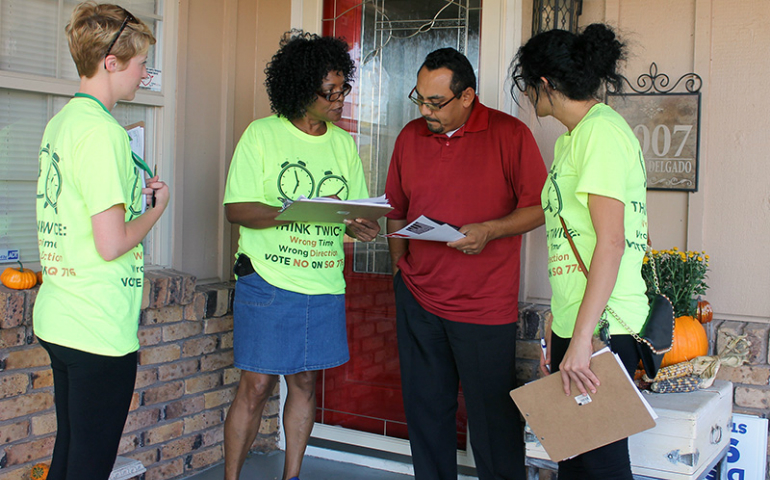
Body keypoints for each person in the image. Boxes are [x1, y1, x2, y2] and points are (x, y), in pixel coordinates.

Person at [222, 30, 380, 480]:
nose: (338, 100)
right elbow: (238, 209)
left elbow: (353, 211)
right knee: (255, 386)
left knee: (305, 382)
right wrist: (294, 212)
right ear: (299, 89)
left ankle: (291, 475)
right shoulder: (262, 135)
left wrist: (360, 225)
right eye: (328, 92)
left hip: (323, 281)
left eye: (342, 89)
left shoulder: (343, 144)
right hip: (269, 281)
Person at [384, 48, 547, 480]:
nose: (425, 111)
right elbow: (396, 208)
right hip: (418, 296)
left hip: (483, 303)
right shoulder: (409, 136)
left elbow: (540, 207)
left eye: (435, 103)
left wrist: (490, 230)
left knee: (493, 419)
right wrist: (400, 264)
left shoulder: (510, 135)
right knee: (426, 412)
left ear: (468, 96)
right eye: (418, 99)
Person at [34, 3, 168, 479]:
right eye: (140, 64)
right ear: (111, 63)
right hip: (97, 324)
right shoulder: (102, 132)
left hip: (61, 314)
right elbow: (111, 243)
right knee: (89, 465)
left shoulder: (62, 122)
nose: (144, 74)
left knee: (71, 456)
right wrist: (156, 210)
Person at [510, 24, 650, 480]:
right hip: (581, 320)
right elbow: (574, 239)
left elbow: (611, 242)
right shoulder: (575, 137)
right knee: (574, 459)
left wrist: (586, 335)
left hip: (606, 326)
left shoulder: (601, 134)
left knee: (602, 465)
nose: (530, 96)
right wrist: (559, 319)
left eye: (529, 86)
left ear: (545, 84)